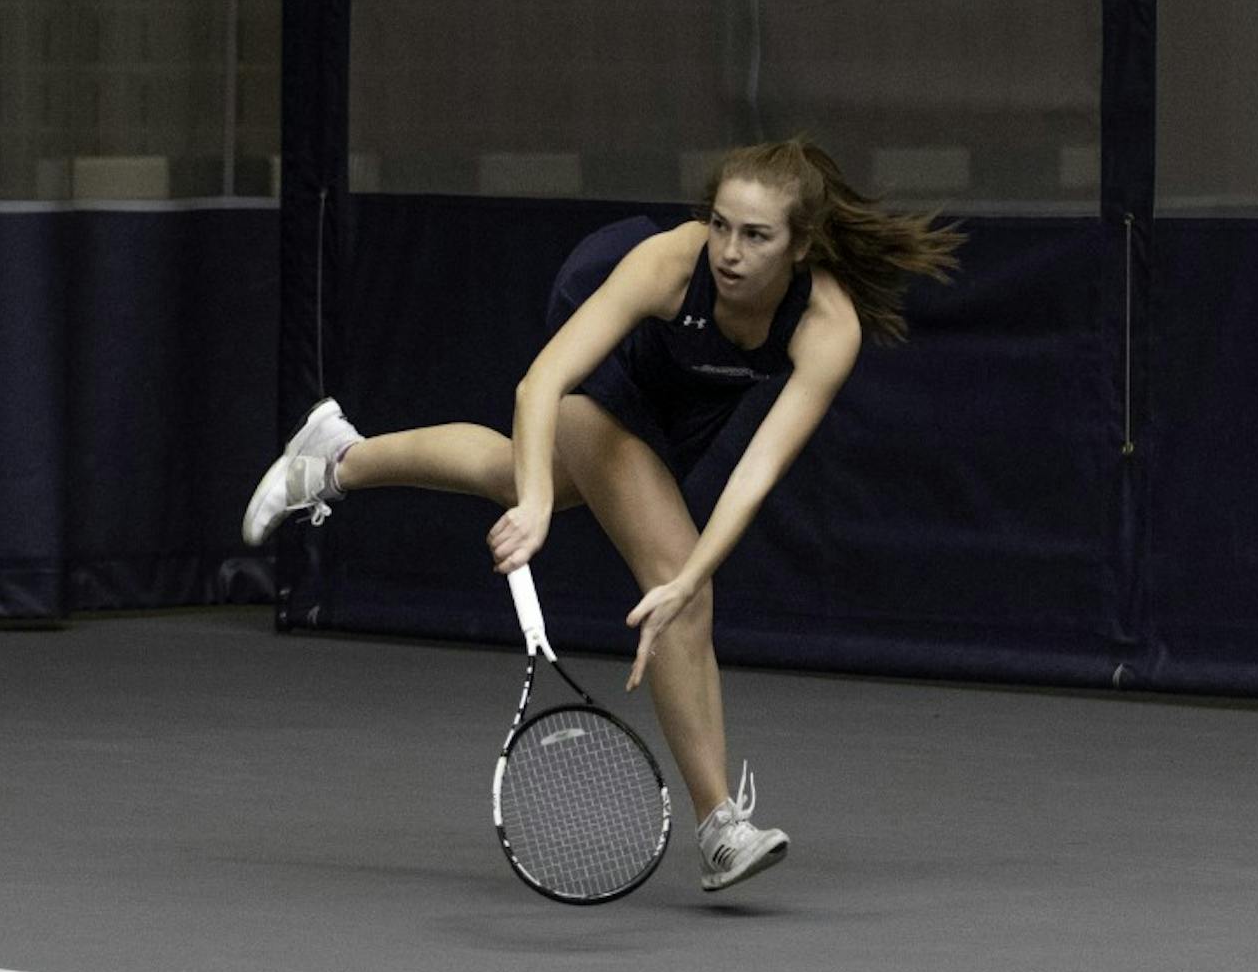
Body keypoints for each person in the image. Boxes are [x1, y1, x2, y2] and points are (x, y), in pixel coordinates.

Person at [242, 137, 962, 892]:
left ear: (802, 244)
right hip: (606, 364)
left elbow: (754, 476)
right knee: (660, 558)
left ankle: (333, 459)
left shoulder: (827, 326)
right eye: (721, 224)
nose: (730, 251)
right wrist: (543, 508)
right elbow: (540, 384)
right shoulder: (670, 264)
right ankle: (720, 825)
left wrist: (685, 573)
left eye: (756, 235)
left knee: (531, 484)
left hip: (685, 397)